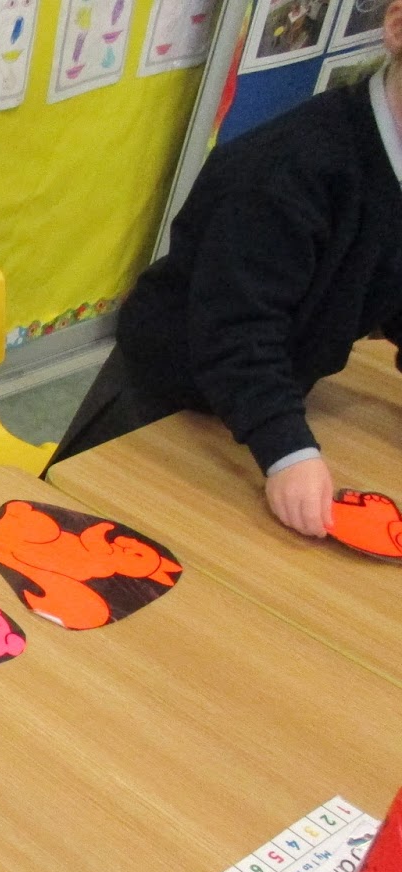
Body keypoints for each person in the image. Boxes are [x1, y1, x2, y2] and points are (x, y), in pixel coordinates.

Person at [50, 0, 402, 538]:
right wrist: (287, 449)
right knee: (93, 545)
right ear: (397, 27)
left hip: (265, 397)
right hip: (166, 397)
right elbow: (235, 328)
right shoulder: (293, 165)